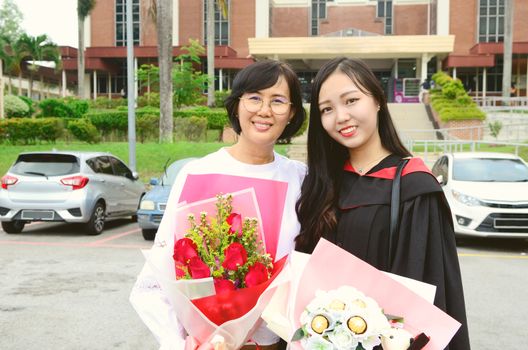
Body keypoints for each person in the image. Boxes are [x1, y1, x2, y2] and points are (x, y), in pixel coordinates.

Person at [295, 57, 470, 349]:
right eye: (327, 109)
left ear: (377, 100)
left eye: (351, 100)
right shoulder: (320, 185)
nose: (340, 116)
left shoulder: (414, 187)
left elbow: (428, 290)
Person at [130, 60, 306, 350]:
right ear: (236, 105)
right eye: (254, 98)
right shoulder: (198, 174)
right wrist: (180, 343)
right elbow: (160, 273)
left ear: (292, 113)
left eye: (278, 101)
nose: (264, 110)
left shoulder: (301, 179)